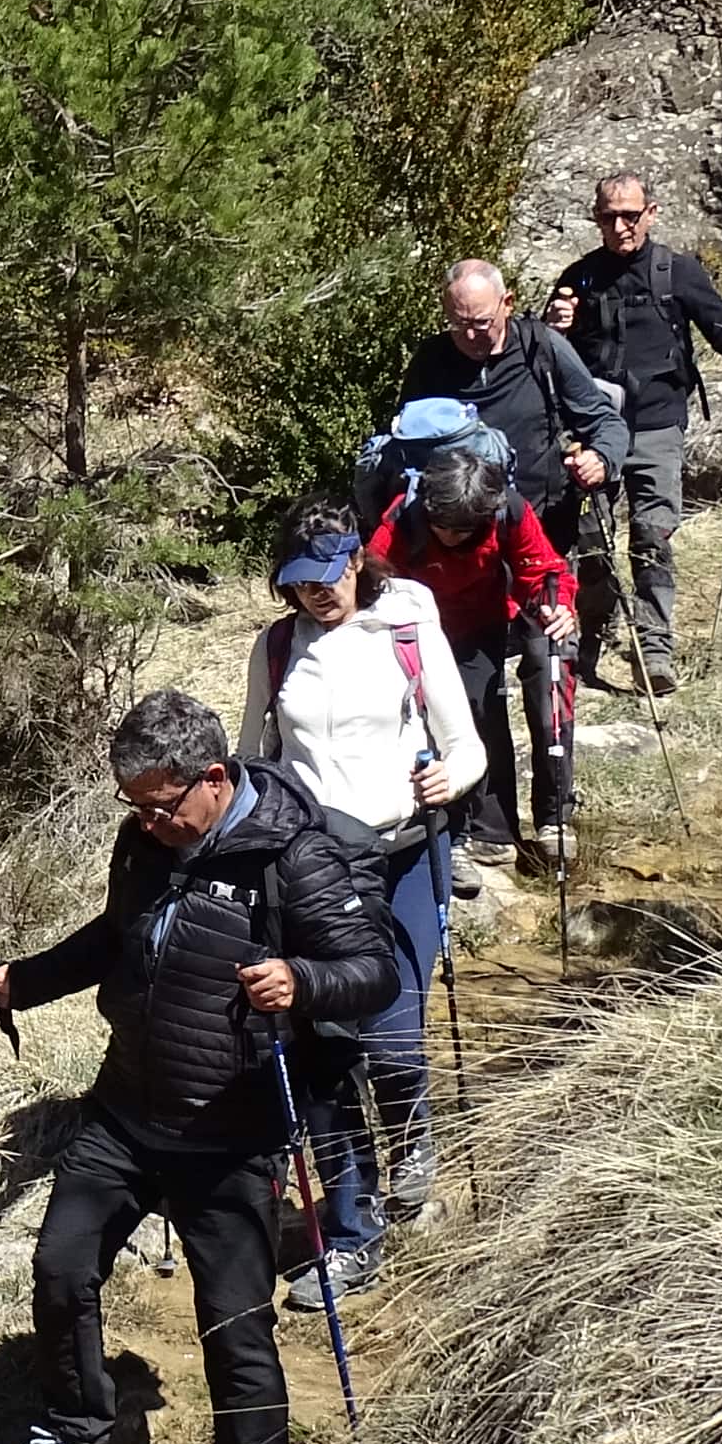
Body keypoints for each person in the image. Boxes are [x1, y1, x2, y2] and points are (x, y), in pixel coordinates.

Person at [0, 690, 395, 1444]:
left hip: (232, 1134)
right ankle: (78, 1432)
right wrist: (20, 983)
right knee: (60, 1266)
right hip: (125, 1112)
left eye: (161, 806)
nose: (149, 823)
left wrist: (301, 980)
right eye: (134, 807)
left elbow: (374, 972)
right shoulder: (144, 845)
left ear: (214, 777)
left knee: (234, 1326)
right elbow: (114, 940)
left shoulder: (292, 856)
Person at [238, 504, 474, 1293]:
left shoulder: (406, 624)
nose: (317, 593)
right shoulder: (276, 648)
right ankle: (352, 1229)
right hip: (314, 871)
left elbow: (466, 744)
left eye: (329, 575)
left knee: (394, 1039)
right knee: (329, 1054)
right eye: (299, 582)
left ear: (356, 561)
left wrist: (451, 779)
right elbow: (252, 759)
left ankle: (411, 1136)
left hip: (404, 856)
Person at [545, 172, 722, 695]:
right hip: (596, 433)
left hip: (657, 428)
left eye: (630, 215)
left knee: (651, 538)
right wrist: (554, 327)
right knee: (592, 541)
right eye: (609, 216)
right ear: (596, 218)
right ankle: (592, 638)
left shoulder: (677, 272)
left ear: (651, 213)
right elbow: (548, 356)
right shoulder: (578, 278)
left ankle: (654, 652)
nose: (620, 226)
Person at [367, 428, 576, 887]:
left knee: (488, 709)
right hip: (421, 633)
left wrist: (556, 604)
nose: (452, 536)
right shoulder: (403, 519)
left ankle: (503, 830)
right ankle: (463, 835)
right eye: (444, 526)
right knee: (444, 722)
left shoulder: (507, 512)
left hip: (482, 624)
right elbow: (373, 578)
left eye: (464, 529)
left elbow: (541, 568)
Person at [396, 258, 630, 564]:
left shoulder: (542, 348)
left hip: (540, 530)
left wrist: (601, 458)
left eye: (481, 322)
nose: (470, 336)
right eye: (458, 324)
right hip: (459, 540)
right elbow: (403, 437)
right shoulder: (432, 360)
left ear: (507, 304)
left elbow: (604, 420)